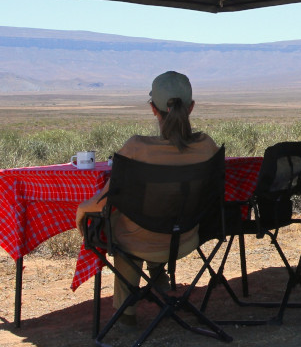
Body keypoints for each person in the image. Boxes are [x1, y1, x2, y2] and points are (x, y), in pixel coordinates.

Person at [76, 71, 219, 326]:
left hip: (142, 241)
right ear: (192, 108)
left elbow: (105, 200)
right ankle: (157, 272)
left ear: (154, 109)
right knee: (148, 216)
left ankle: (126, 312)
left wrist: (81, 210)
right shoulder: (207, 146)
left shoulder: (137, 149)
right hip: (187, 237)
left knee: (121, 223)